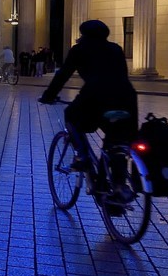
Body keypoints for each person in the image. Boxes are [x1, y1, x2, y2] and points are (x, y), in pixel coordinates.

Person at [40, 19, 140, 197]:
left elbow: (62, 75)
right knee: (116, 141)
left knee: (70, 114)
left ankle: (81, 156)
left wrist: (48, 96)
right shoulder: (116, 48)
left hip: (96, 96)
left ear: (83, 34)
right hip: (126, 98)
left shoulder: (79, 50)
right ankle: (117, 186)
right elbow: (121, 75)